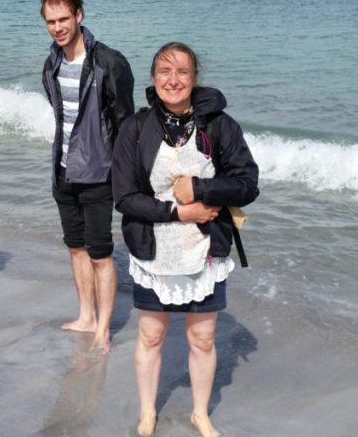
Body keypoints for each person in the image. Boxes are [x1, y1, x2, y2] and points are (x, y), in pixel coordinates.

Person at [111, 42, 259, 437]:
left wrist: (201, 188)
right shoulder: (136, 127)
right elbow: (124, 197)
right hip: (152, 249)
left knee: (203, 336)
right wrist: (179, 211)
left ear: (195, 78)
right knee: (151, 333)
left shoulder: (219, 125)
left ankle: (200, 414)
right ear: (153, 78)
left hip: (205, 251)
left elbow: (247, 184)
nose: (172, 80)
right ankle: (147, 413)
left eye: (182, 72)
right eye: (164, 71)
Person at [41, 0, 135, 354]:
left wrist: (127, 175)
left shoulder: (108, 62)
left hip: (98, 173)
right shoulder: (51, 61)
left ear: (79, 16)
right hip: (63, 171)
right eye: (51, 21)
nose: (58, 27)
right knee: (76, 248)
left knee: (100, 254)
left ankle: (103, 328)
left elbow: (125, 123)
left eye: (64, 18)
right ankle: (85, 316)